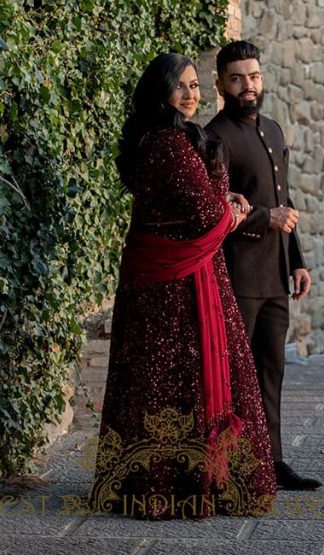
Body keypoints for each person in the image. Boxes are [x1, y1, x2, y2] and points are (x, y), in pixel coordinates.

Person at [89, 53, 277, 520]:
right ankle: (179, 486)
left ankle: (151, 480)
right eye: (182, 87)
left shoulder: (155, 139)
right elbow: (205, 217)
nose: (191, 95)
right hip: (179, 287)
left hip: (162, 278)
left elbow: (191, 202)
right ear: (161, 94)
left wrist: (222, 199)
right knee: (178, 380)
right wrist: (231, 212)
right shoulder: (170, 143)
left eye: (195, 85)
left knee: (154, 381)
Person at [206, 40, 322, 491]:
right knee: (235, 375)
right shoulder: (213, 138)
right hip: (236, 276)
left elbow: (284, 202)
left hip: (275, 276)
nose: (247, 85)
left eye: (253, 76)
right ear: (220, 84)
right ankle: (227, 469)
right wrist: (262, 218)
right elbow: (213, 208)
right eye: (236, 78)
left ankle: (271, 464)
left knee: (271, 370)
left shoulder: (272, 131)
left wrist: (298, 261)